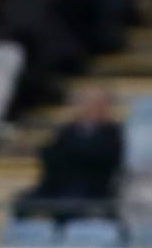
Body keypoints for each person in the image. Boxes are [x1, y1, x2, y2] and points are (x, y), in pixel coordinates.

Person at [16, 85, 121, 217]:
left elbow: (102, 158)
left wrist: (71, 153)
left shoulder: (113, 132)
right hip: (58, 185)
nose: (91, 107)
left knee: (68, 203)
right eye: (87, 102)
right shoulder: (68, 130)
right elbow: (52, 156)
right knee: (23, 202)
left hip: (91, 189)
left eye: (96, 102)